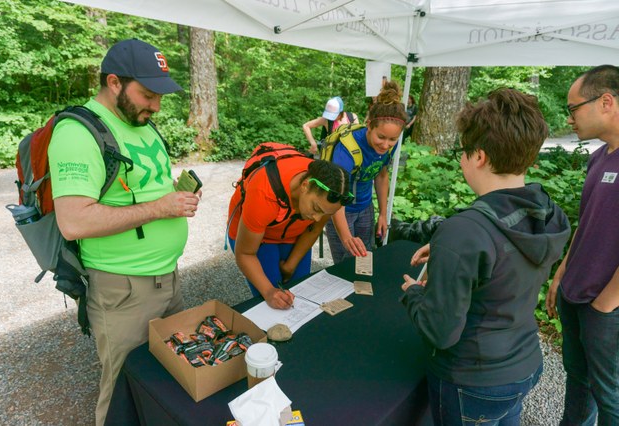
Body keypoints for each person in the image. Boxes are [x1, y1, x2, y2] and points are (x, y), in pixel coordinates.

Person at [48, 39, 198, 426]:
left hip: (167, 276)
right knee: (121, 396)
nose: (156, 106)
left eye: (160, 96)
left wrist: (177, 196)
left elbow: (149, 186)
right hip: (123, 288)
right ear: (114, 82)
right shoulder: (77, 131)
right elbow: (74, 221)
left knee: (167, 376)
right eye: (148, 95)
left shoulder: (140, 121)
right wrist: (162, 208)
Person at [401, 88, 570, 425]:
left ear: (478, 156)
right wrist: (451, 251)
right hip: (524, 362)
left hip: (473, 379)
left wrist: (414, 294)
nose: (461, 160)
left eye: (463, 152)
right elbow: (509, 255)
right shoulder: (549, 213)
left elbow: (441, 331)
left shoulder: (465, 233)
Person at [545, 65, 619, 426]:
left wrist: (607, 303)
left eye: (574, 108)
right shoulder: (599, 156)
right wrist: (561, 274)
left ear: (606, 102)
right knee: (578, 379)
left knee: (611, 396)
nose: (569, 118)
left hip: (606, 306)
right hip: (575, 294)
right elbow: (586, 223)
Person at [227, 156, 352, 309]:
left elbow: (313, 230)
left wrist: (290, 265)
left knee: (301, 292)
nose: (317, 218)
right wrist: (268, 292)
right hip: (258, 238)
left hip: (292, 231)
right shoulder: (264, 192)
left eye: (325, 213)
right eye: (316, 209)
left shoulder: (329, 196)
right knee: (275, 299)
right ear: (305, 185)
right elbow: (245, 254)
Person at [324, 81, 407, 264]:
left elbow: (381, 174)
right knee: (345, 263)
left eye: (393, 139)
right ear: (369, 125)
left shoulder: (389, 146)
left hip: (365, 206)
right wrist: (346, 238)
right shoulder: (347, 150)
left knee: (365, 260)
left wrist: (383, 214)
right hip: (340, 209)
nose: (386, 145)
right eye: (381, 137)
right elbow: (336, 198)